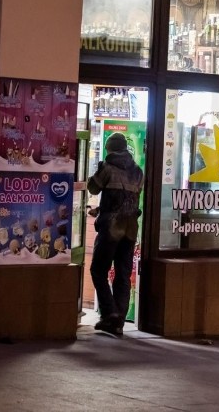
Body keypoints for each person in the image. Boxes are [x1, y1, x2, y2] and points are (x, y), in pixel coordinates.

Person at [87, 132, 143, 336]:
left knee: (98, 270)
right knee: (123, 274)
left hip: (111, 228)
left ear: (110, 148)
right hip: (130, 229)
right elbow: (125, 199)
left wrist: (98, 169)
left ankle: (109, 313)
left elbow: (92, 188)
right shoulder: (138, 171)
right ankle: (118, 320)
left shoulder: (108, 167)